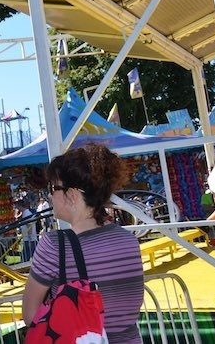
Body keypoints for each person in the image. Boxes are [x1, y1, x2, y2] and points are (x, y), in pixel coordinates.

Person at [23, 144, 144, 344]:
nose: (50, 195)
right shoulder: (129, 241)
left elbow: (31, 315)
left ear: (71, 195)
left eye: (53, 188)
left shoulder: (55, 246)